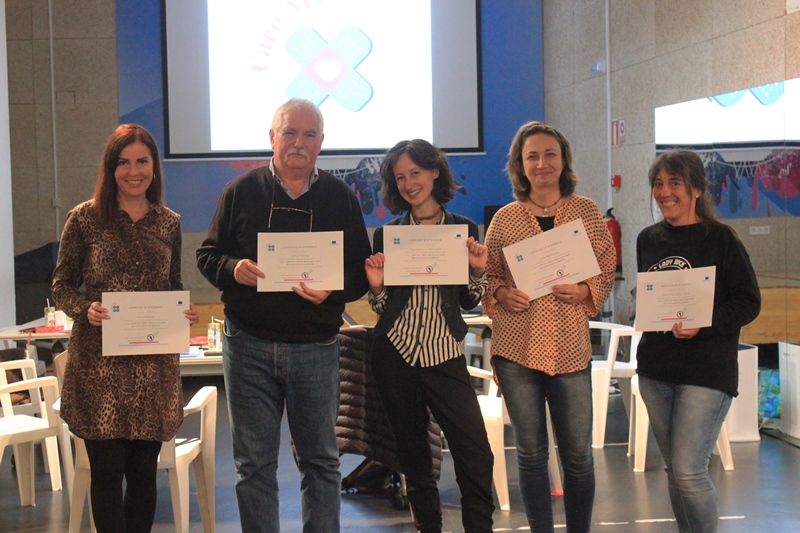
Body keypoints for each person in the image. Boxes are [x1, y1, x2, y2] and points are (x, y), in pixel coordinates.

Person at [196, 98, 371, 533]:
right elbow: (207, 255)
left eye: (309, 135)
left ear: (321, 142)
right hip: (248, 346)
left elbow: (360, 272)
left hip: (316, 348)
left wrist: (335, 289)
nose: (298, 143)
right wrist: (233, 268)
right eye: (289, 132)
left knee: (321, 462)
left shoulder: (340, 197)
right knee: (253, 465)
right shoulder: (241, 191)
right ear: (272, 137)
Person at [52, 123, 199, 533]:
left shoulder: (169, 223)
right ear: (110, 167)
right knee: (105, 476)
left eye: (142, 161)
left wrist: (183, 312)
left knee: (143, 476)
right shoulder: (84, 219)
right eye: (124, 162)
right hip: (99, 367)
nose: (134, 172)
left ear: (154, 166)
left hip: (152, 368)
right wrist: (84, 309)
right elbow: (61, 285)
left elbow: (172, 286)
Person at [482, 121, 615, 533]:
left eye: (549, 154)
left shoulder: (586, 211)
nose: (542, 163)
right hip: (517, 351)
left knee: (578, 457)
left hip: (570, 350)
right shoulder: (505, 218)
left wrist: (586, 289)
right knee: (530, 455)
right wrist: (501, 293)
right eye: (532, 156)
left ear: (563, 160)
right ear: (520, 165)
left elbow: (606, 263)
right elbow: (488, 274)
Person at [365, 139, 495, 533]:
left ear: (436, 171)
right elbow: (383, 307)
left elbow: (469, 301)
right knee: (414, 456)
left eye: (416, 173)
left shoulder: (462, 229)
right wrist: (376, 286)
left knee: (476, 453)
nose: (409, 184)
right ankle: (428, 527)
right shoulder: (387, 235)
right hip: (395, 354)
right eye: (400, 177)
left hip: (444, 354)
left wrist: (477, 270)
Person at [635, 150, 760, 533]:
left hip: (706, 372)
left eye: (674, 183)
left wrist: (702, 324)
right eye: (658, 184)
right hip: (656, 371)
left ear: (696, 189)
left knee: (689, 472)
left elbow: (748, 302)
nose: (664, 192)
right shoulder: (647, 239)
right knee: (676, 471)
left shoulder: (720, 239)